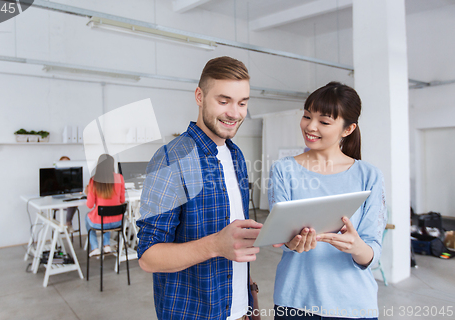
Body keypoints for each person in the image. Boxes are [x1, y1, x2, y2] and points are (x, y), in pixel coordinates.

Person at [137, 56, 262, 320]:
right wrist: (215, 245)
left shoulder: (236, 155)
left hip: (240, 310)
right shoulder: (170, 159)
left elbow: (235, 238)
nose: (235, 113)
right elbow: (149, 256)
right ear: (199, 96)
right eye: (223, 100)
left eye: (242, 103)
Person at [268, 82, 387, 320]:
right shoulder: (283, 170)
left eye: (324, 122)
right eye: (306, 116)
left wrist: (357, 247)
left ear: (348, 128)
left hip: (352, 305)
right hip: (295, 302)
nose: (310, 126)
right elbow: (281, 238)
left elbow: (372, 251)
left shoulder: (369, 176)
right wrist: (293, 243)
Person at [85, 154, 126, 257]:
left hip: (101, 223)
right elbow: (122, 200)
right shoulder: (119, 178)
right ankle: (106, 245)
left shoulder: (94, 180)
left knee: (88, 217)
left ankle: (95, 247)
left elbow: (90, 205)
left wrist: (88, 192)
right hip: (117, 222)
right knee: (106, 215)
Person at [58, 156, 78, 233]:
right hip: (58, 200)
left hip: (69, 199)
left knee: (73, 203)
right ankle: (68, 224)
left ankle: (68, 223)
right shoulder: (56, 175)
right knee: (71, 203)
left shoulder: (73, 175)